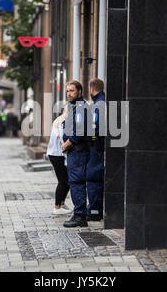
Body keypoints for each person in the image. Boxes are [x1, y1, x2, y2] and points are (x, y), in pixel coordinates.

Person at [61, 80, 91, 228]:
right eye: (67, 91)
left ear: (79, 92)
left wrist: (66, 145)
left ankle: (80, 216)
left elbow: (78, 132)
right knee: (74, 182)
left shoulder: (81, 109)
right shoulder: (73, 107)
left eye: (72, 91)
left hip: (78, 152)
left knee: (77, 182)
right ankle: (79, 213)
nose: (69, 93)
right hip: (73, 151)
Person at [86, 78, 106, 221]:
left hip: (96, 147)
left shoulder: (98, 105)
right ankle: (95, 208)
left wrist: (91, 141)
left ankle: (94, 210)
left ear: (92, 89)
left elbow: (94, 128)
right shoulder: (102, 102)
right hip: (99, 145)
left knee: (93, 178)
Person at [46, 105, 72, 215]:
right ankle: (57, 207)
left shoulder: (60, 119)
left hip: (55, 154)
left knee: (66, 181)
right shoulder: (63, 121)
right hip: (58, 155)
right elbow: (62, 138)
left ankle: (61, 203)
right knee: (63, 181)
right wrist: (65, 147)